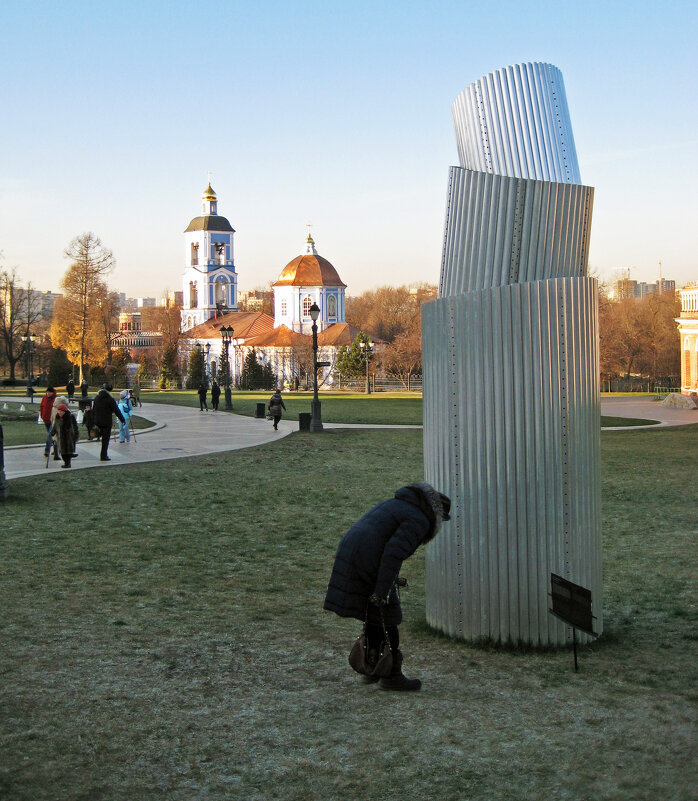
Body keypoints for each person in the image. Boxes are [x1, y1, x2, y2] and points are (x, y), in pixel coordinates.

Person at [324, 482, 451, 691]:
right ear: (437, 514)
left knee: (375, 614)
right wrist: (382, 591)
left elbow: (382, 541)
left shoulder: (402, 505)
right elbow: (392, 554)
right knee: (388, 616)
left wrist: (389, 582)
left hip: (353, 550)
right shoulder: (419, 521)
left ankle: (372, 668)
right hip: (366, 557)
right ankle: (391, 675)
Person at [92, 384, 125, 461]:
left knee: (99, 435)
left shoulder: (97, 398)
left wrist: (94, 420)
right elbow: (116, 410)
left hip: (98, 421)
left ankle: (103, 454)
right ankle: (103, 455)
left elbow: (94, 410)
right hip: (106, 421)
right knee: (105, 439)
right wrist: (122, 419)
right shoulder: (110, 399)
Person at [50, 403, 79, 468]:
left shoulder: (70, 417)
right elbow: (55, 426)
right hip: (60, 437)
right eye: (59, 411)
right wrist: (53, 432)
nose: (59, 412)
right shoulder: (57, 417)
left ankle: (68, 463)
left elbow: (75, 427)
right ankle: (66, 462)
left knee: (68, 451)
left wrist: (75, 435)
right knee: (62, 452)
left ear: (64, 411)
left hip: (69, 437)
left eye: (61, 411)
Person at [39, 386, 59, 460]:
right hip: (46, 420)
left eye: (49, 392)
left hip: (53, 421)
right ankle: (55, 449)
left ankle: (47, 450)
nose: (48, 393)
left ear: (52, 393)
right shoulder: (44, 398)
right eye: (47, 392)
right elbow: (41, 407)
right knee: (53, 437)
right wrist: (42, 416)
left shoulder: (56, 399)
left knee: (50, 435)